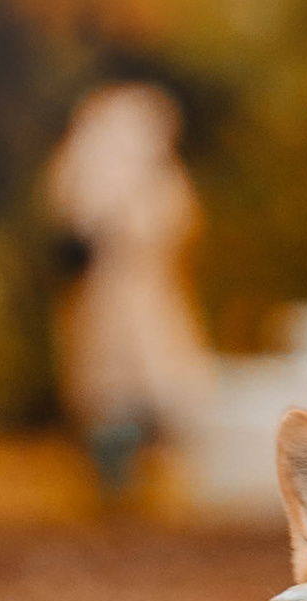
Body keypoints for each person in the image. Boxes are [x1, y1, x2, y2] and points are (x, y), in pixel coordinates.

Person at [44, 83, 214, 500]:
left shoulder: (145, 171)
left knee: (141, 384)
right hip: (111, 297)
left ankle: (135, 475)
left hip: (142, 293)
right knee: (110, 387)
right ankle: (115, 476)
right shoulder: (99, 168)